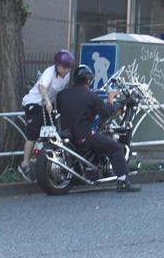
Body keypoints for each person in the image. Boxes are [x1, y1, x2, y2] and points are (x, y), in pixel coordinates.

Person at [56, 64, 140, 192]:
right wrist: (110, 98)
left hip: (66, 135)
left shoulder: (62, 95)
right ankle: (123, 182)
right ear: (88, 80)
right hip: (84, 135)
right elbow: (107, 112)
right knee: (116, 148)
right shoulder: (91, 96)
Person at [18, 49, 75, 180]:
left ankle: (48, 162)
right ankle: (24, 164)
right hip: (34, 102)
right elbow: (42, 87)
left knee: (52, 133)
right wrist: (48, 101)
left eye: (68, 68)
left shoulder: (66, 76)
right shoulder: (49, 72)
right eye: (64, 67)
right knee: (32, 134)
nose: (66, 70)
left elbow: (59, 92)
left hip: (48, 106)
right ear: (57, 65)